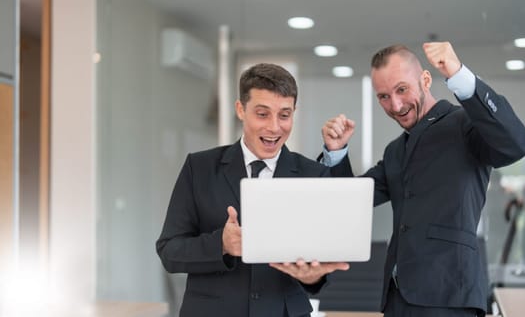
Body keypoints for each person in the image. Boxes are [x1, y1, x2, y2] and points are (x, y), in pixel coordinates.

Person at [322, 42, 525, 316]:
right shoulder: (396, 150)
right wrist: (336, 153)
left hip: (449, 296)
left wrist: (460, 76)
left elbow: (514, 144)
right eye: (383, 96)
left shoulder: (465, 124)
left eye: (402, 89)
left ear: (426, 80)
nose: (395, 105)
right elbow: (352, 200)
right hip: (396, 298)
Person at [156, 63, 349, 317]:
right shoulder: (199, 168)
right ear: (240, 109)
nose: (274, 127)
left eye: (284, 115)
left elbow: (324, 266)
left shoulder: (314, 174)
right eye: (262, 114)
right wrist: (221, 245)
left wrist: (313, 277)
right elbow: (169, 251)